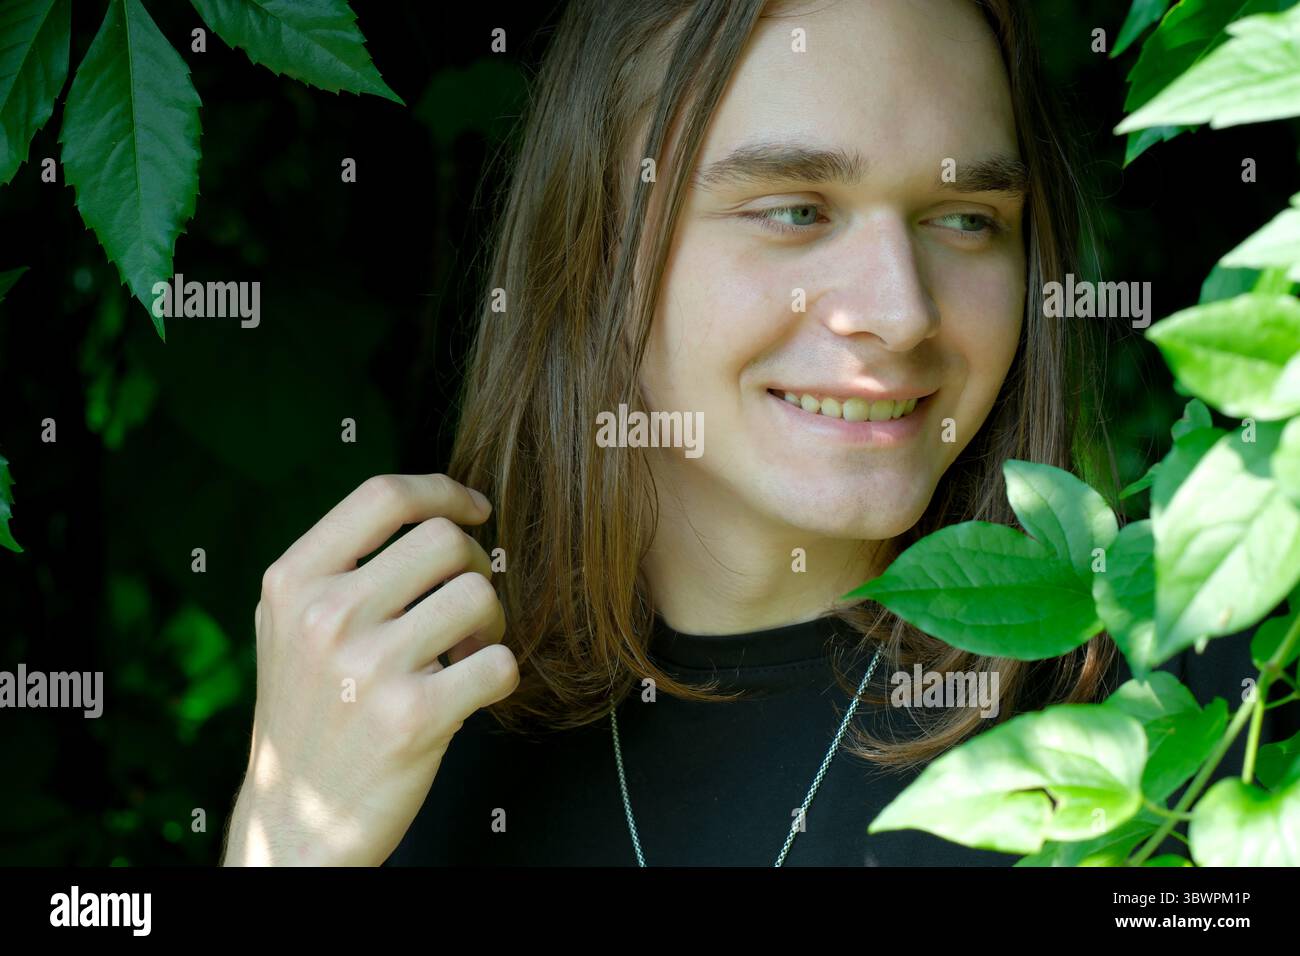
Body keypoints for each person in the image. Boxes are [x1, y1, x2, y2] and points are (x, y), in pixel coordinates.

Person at [220, 0, 1298, 867]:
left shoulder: (1207, 705)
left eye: (966, 219)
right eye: (794, 209)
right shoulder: (392, 723)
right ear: (592, 241)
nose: (902, 309)